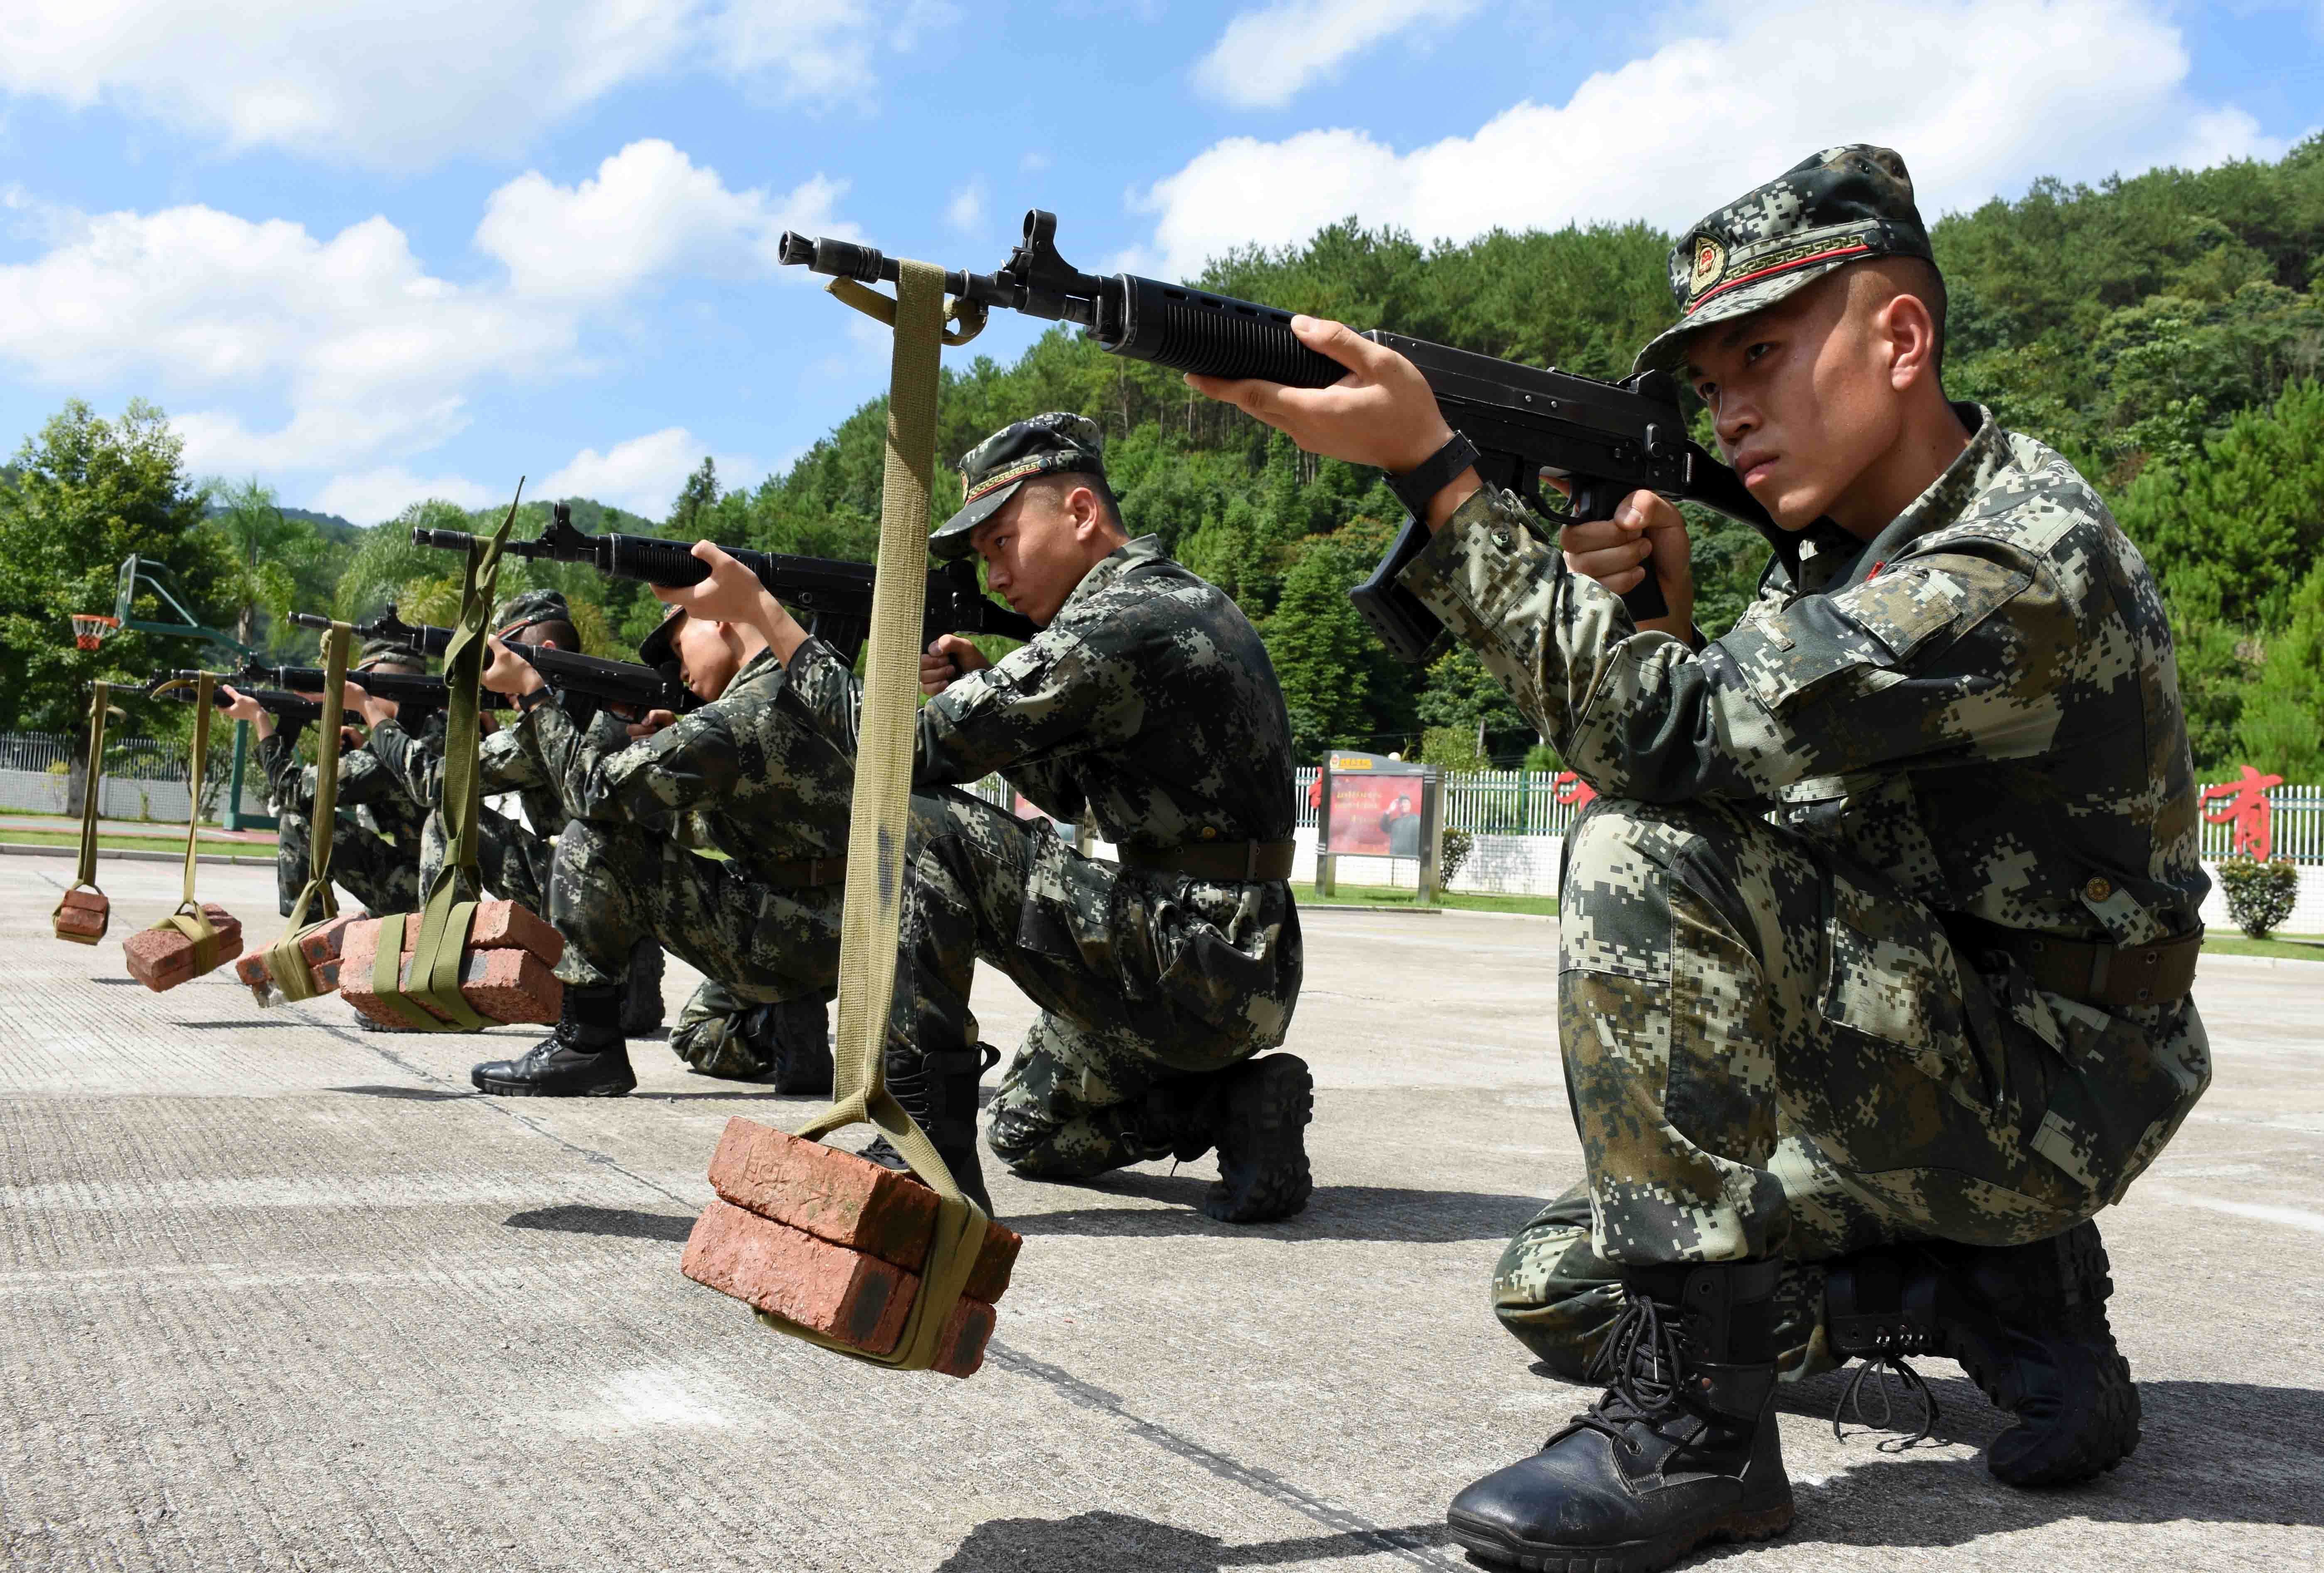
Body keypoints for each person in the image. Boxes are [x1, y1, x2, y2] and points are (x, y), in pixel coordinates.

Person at [1187, 145, 2208, 1570]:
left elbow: (1675, 767)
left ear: (1900, 338)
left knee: (1635, 848)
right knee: (1555, 1284)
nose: (1729, 410)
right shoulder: (1859, 549)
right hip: (1927, 1048)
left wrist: (1436, 474)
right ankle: (1985, 1285)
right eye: (1709, 380)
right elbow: (1762, 786)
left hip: (2047, 1078)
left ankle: (1703, 1437)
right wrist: (1660, 619)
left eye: (1765, 355)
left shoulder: (2008, 566)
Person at [660, 413, 1311, 1224]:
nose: (995, 574)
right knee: (1028, 1129)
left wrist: (771, 620)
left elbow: (898, 748)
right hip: (1224, 957)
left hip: (1196, 951)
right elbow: (1077, 791)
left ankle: (924, 1140)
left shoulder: (1119, 619)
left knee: (917, 817)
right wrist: (985, 682)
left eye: (1002, 540)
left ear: (1080, 512)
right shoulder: (1168, 601)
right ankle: (1228, 1107)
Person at [464, 597, 849, 1097]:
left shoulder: (732, 718)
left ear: (718, 616)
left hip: (791, 933)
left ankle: (586, 1044)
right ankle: (794, 1034)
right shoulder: (818, 685)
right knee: (699, 1035)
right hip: (846, 933)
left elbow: (592, 793)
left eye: (678, 644)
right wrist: (672, 754)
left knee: (593, 838)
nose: (678, 668)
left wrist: (533, 695)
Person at [363, 589, 664, 1036]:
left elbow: (437, 784)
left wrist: (372, 715)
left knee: (450, 820)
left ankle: (441, 987)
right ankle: (622, 978)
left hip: (592, 902)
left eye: (497, 657)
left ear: (541, 654)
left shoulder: (547, 723)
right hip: (638, 918)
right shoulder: (616, 705)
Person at [225, 636, 430, 924]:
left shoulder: (393, 749)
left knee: (298, 823)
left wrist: (260, 721)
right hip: (435, 883)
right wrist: (363, 748)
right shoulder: (433, 729)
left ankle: (310, 937)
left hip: (420, 893)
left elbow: (292, 790)